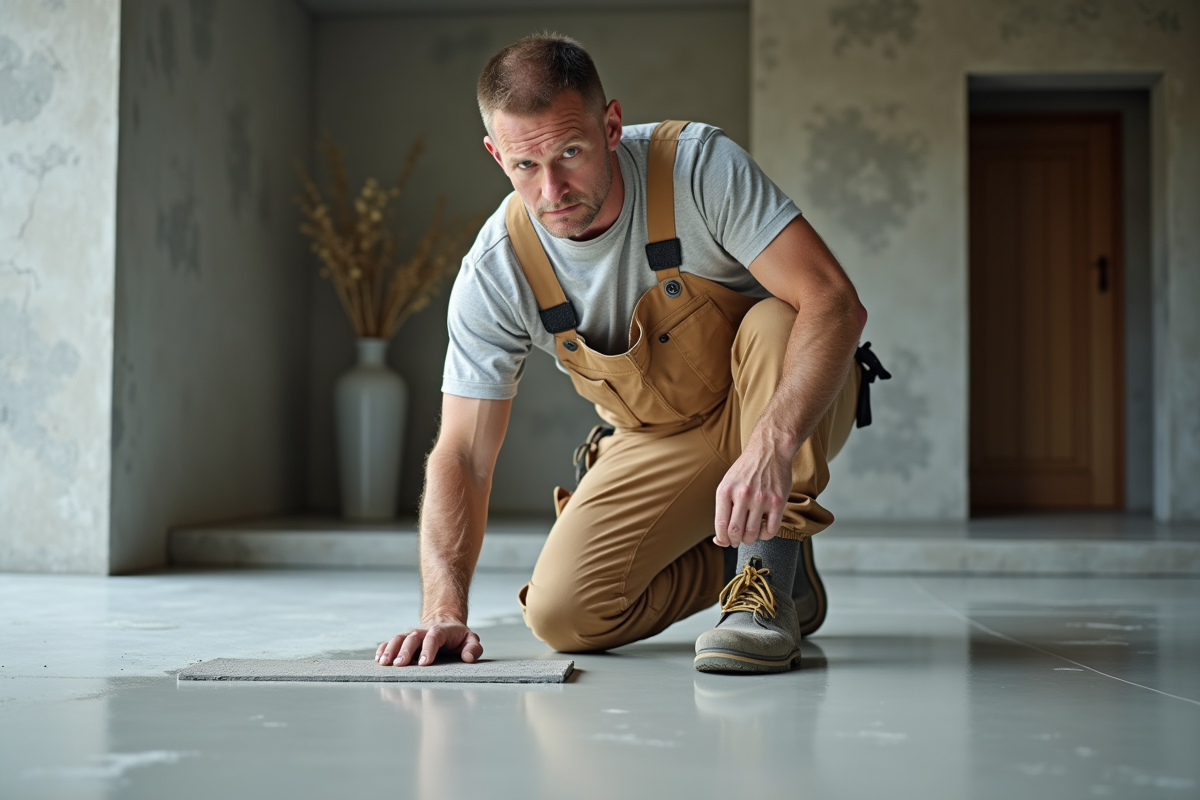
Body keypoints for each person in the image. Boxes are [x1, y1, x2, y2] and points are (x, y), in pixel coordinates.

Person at [375, 33, 886, 674]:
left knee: (778, 317)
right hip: (662, 438)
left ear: (611, 125)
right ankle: (762, 561)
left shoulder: (697, 167)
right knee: (563, 617)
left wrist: (771, 448)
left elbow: (834, 301)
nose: (552, 189)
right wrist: (442, 609)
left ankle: (764, 583)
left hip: (786, 405)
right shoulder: (497, 270)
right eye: (525, 165)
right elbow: (463, 454)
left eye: (570, 152)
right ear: (495, 154)